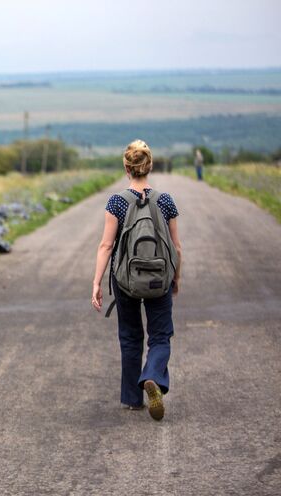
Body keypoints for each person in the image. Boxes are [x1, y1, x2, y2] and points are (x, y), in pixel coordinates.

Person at [91, 140, 183, 421]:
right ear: (150, 165)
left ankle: (133, 399)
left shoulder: (116, 202)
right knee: (160, 336)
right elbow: (176, 247)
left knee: (130, 337)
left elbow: (106, 246)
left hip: (125, 279)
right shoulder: (165, 201)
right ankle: (153, 376)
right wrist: (175, 277)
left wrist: (96, 283)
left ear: (126, 167)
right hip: (159, 278)